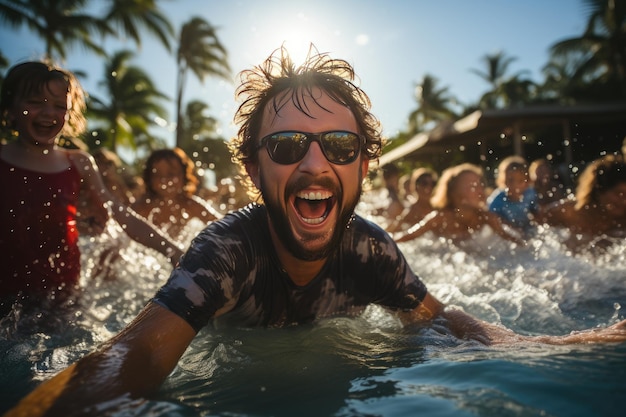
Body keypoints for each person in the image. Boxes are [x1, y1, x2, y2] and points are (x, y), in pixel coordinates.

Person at [6, 47, 626, 417]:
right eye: (285, 145)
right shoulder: (226, 251)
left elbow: (450, 324)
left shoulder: (369, 249)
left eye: (338, 144)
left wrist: (574, 344)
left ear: (363, 164)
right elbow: (132, 354)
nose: (313, 164)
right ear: (253, 169)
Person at [0, 61, 184, 304]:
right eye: (35, 103)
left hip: (64, 298)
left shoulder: (77, 163)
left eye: (59, 106)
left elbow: (121, 214)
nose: (48, 114)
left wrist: (173, 251)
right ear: (11, 108)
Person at [395, 163, 524, 246]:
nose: (480, 190)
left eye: (480, 184)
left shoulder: (486, 217)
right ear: (455, 194)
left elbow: (515, 241)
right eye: (472, 186)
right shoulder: (440, 217)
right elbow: (406, 237)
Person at [537, 154, 626, 252]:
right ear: (600, 191)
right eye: (619, 193)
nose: (624, 200)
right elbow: (538, 224)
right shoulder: (573, 213)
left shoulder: (623, 220)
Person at [131, 147, 222, 241]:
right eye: (157, 175)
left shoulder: (190, 205)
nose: (164, 180)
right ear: (149, 179)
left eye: (171, 174)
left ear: (184, 176)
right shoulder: (142, 207)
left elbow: (223, 226)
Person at [487, 156, 538, 237]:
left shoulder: (530, 193)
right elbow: (494, 221)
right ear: (503, 180)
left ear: (527, 181)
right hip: (509, 232)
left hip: (527, 228)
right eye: (510, 180)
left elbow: (536, 213)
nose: (515, 185)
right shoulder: (497, 200)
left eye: (520, 180)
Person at [387, 167, 437, 232]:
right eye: (424, 183)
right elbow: (393, 230)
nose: (428, 188)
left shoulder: (438, 208)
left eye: (433, 184)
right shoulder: (412, 210)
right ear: (415, 186)